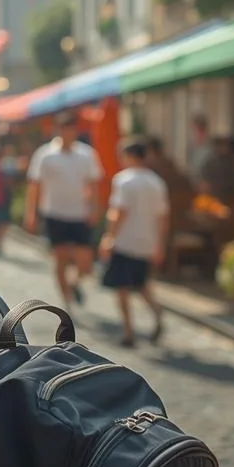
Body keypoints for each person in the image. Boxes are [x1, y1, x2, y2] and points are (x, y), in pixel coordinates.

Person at [25, 111, 104, 306]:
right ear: (57, 130)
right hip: (54, 213)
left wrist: (95, 208)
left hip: (79, 214)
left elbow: (94, 185)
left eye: (72, 129)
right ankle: (67, 302)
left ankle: (74, 283)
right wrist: (31, 214)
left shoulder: (86, 154)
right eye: (65, 129)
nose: (69, 133)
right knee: (60, 260)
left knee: (85, 263)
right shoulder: (45, 155)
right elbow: (35, 186)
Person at [99, 138, 170, 346]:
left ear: (129, 156)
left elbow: (118, 212)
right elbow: (163, 217)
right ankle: (157, 311)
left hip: (125, 241)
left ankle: (128, 331)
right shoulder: (157, 182)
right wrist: (160, 244)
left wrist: (109, 237)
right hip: (147, 242)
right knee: (141, 284)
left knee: (122, 288)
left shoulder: (124, 180)